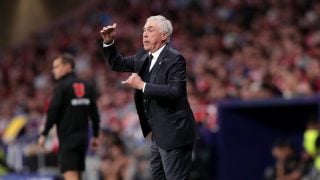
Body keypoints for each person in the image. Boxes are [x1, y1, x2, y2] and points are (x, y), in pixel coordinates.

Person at [100, 15, 199, 180]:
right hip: (157, 134)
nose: (144, 34)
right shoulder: (143, 56)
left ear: (164, 36)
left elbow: (175, 91)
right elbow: (117, 64)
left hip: (175, 133)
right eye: (144, 30)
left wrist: (142, 85)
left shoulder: (175, 59)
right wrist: (109, 42)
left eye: (150, 30)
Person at [38, 54, 100, 180]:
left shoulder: (61, 87)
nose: (53, 70)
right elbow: (94, 113)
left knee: (70, 175)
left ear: (68, 67)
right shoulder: (87, 85)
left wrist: (44, 133)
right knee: (78, 175)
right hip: (83, 139)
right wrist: (95, 136)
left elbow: (53, 112)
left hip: (68, 138)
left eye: (57, 67)